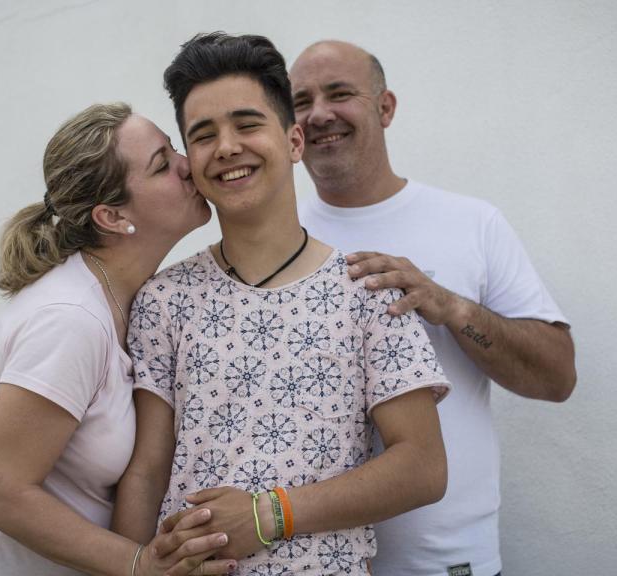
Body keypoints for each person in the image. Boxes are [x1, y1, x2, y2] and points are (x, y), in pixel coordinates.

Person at [113, 33, 452, 576]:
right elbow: (147, 471)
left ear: (294, 141)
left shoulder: (369, 291)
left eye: (247, 124)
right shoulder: (164, 300)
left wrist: (270, 513)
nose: (227, 147)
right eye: (204, 135)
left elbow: (422, 467)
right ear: (190, 161)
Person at [289, 40, 578, 576]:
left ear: (386, 107)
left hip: (447, 562)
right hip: (313, 562)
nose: (320, 113)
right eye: (301, 101)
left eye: (340, 93)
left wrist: (452, 308)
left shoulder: (472, 223)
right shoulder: (280, 242)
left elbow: (557, 377)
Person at [0, 102, 237, 576]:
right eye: (162, 164)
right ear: (112, 216)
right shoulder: (69, 320)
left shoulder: (134, 299)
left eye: (173, 148)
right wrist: (140, 565)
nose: (187, 164)